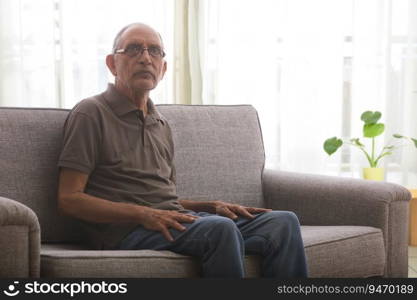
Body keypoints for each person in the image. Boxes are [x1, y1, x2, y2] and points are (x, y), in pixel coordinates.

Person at [57, 22, 308, 278]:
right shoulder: (91, 113)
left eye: (155, 51)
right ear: (112, 64)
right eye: (133, 49)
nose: (145, 58)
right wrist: (143, 214)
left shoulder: (160, 123)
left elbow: (163, 200)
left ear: (163, 68)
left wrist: (210, 206)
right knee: (219, 230)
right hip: (122, 230)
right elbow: (69, 198)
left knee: (283, 223)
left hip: (168, 220)